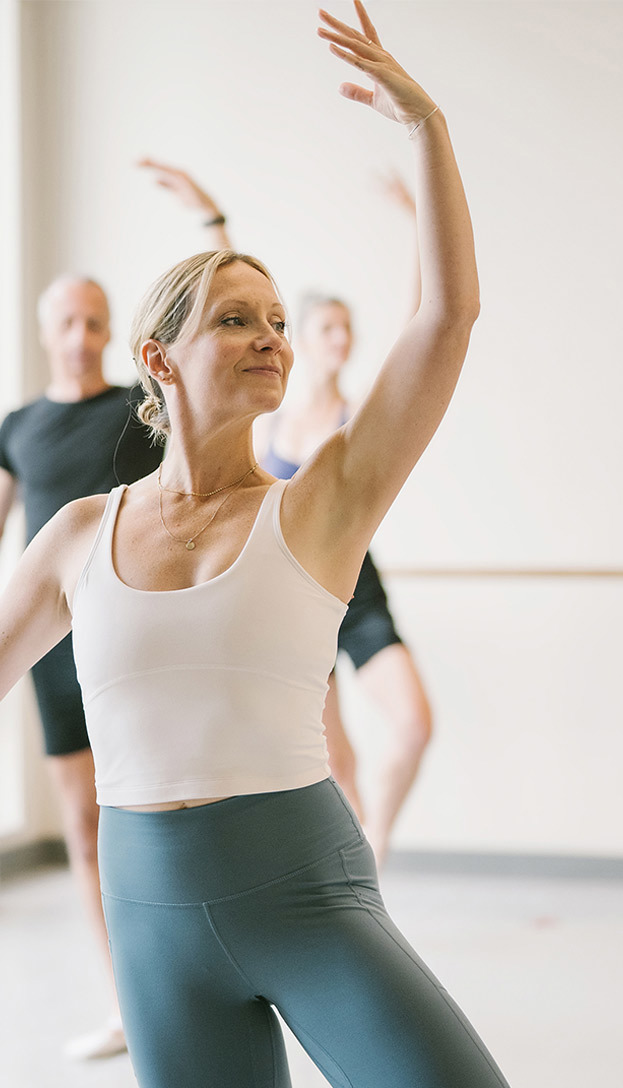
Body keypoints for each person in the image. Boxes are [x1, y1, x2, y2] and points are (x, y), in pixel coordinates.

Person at [0, 8, 507, 1085]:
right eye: (235, 319)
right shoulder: (82, 532)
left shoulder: (320, 503)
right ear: (157, 360)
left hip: (305, 888)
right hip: (150, 913)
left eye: (275, 319)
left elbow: (446, 316)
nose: (269, 337)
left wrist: (426, 124)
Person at [139, 155, 436, 864]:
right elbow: (218, 313)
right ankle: (357, 864)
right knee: (335, 759)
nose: (337, 339)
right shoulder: (264, 418)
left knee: (414, 725)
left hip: (355, 584)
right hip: (290, 588)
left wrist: (420, 225)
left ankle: (379, 841)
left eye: (343, 329)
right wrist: (213, 222)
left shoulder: (356, 421)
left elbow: (421, 334)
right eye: (322, 327)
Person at [0, 273, 161, 1060]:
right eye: (68, 321)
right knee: (86, 827)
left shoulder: (138, 405)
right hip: (56, 646)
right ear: (45, 328)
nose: (82, 335)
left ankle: (180, 983)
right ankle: (127, 1001)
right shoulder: (18, 424)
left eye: (96, 321)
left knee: (156, 811)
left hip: (137, 635)